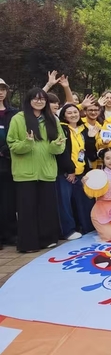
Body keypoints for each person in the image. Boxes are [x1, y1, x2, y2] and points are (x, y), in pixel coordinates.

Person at [7, 88, 66, 253]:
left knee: (47, 208)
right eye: (35, 98)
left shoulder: (52, 119)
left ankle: (48, 239)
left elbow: (60, 146)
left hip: (47, 172)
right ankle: (28, 244)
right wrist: (27, 143)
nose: (39, 101)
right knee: (27, 210)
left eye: (42, 99)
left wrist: (56, 145)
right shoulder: (18, 119)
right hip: (25, 173)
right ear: (29, 100)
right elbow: (12, 144)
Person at [56, 104, 100, 240]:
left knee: (85, 200)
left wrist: (91, 138)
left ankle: (88, 228)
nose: (73, 115)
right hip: (66, 173)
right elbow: (62, 152)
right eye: (69, 113)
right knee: (65, 203)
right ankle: (68, 231)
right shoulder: (61, 129)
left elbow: (90, 154)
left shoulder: (84, 129)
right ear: (64, 115)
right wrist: (70, 170)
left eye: (75, 112)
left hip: (82, 172)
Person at [0, 79, 18, 249]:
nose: (0, 92)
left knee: (9, 201)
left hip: (9, 162)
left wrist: (6, 149)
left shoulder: (13, 113)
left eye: (3, 89)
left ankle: (11, 234)